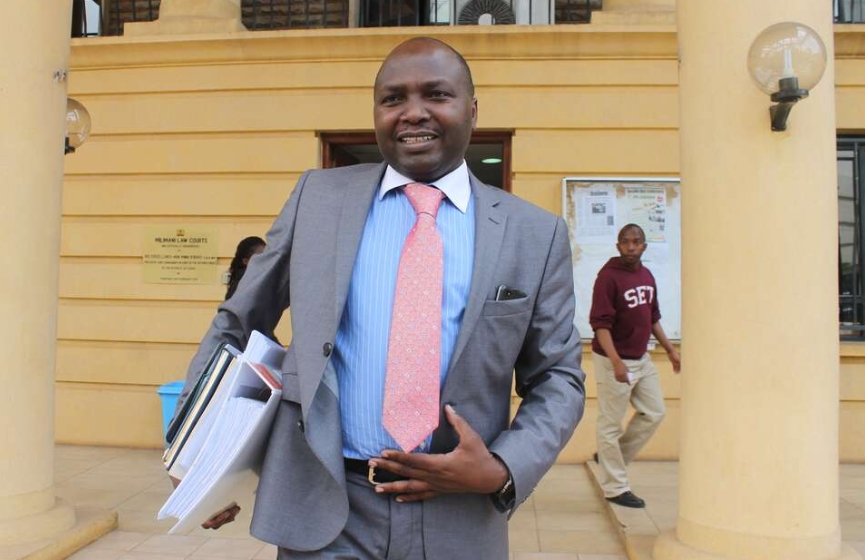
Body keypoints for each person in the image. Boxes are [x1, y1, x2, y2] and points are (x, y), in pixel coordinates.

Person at [176, 37, 585, 560]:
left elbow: (557, 377)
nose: (413, 113)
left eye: (436, 94)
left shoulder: (535, 234)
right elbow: (238, 322)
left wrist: (503, 467)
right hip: (327, 508)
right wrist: (190, 447)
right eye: (393, 99)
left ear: (472, 109)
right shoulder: (317, 200)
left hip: (459, 514)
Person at [589, 223, 681, 509]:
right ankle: (615, 487)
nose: (631, 247)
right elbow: (600, 325)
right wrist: (616, 361)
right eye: (626, 242)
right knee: (610, 424)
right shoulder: (608, 277)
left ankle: (610, 458)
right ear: (618, 245)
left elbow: (653, 318)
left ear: (644, 246)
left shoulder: (646, 275)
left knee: (654, 412)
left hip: (641, 359)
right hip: (613, 361)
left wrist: (670, 350)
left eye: (636, 242)